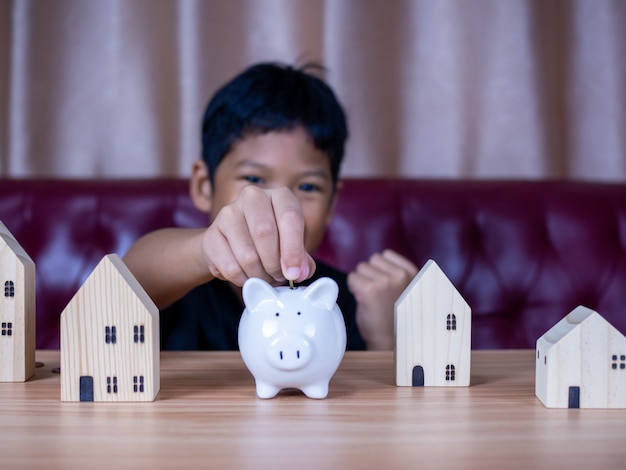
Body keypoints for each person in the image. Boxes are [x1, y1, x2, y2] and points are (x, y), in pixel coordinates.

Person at [123, 62, 417, 351]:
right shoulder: (180, 286)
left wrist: (384, 339)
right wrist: (207, 250)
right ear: (204, 185)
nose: (280, 204)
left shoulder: (349, 302)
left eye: (307, 187)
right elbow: (127, 283)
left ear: (332, 204)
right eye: (253, 178)